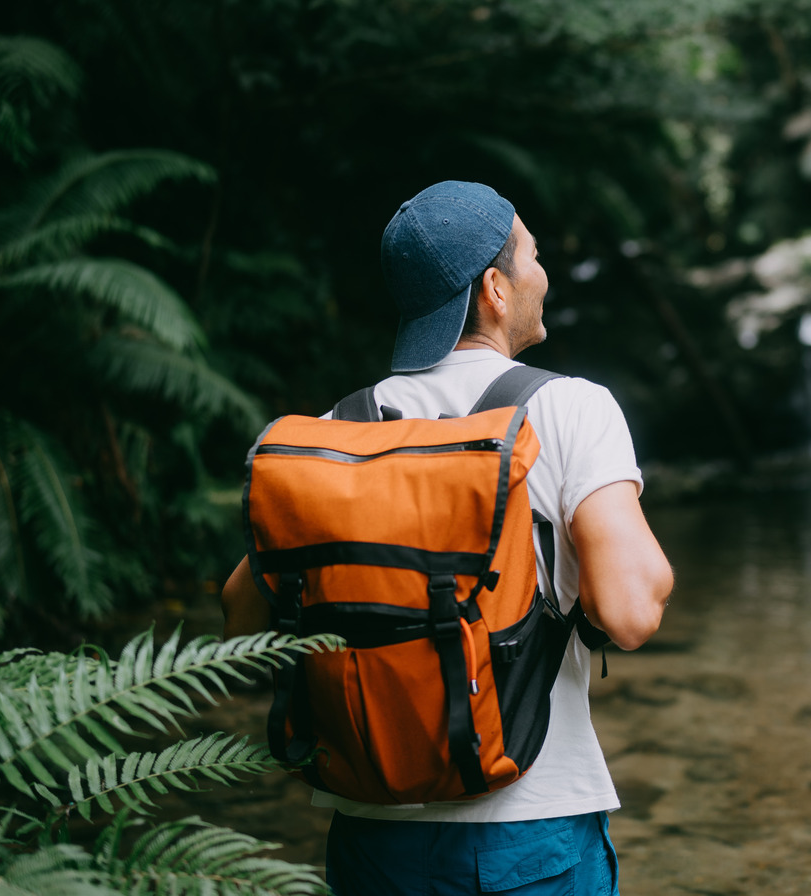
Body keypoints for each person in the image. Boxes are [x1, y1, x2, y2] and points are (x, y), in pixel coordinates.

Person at [220, 180, 674, 895]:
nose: (542, 273)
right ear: (495, 288)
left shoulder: (339, 431)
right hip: (530, 826)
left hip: (372, 831)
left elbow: (241, 616)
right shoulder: (568, 409)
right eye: (532, 255)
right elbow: (631, 611)